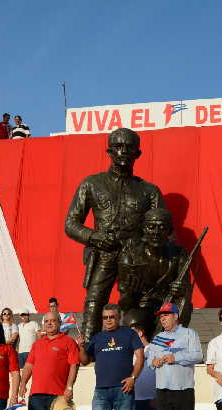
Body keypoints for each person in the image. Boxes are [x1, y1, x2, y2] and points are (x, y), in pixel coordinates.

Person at [65, 127, 165, 340]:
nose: (123, 152)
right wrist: (95, 237)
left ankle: (139, 347)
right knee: (94, 299)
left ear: (138, 153)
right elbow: (71, 224)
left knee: (136, 303)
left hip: (137, 255)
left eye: (129, 148)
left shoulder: (150, 191)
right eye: (118, 147)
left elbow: (164, 231)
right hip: (104, 252)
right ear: (109, 151)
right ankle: (90, 347)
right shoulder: (91, 184)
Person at [76, 304, 143, 410]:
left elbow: (140, 357)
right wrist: (81, 347)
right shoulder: (97, 338)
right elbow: (84, 360)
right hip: (101, 392)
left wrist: (133, 378)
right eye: (105, 317)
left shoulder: (129, 334)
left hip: (124, 390)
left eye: (111, 317)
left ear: (119, 317)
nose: (108, 320)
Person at [117, 207, 190, 336]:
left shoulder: (179, 254)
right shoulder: (130, 257)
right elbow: (124, 304)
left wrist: (180, 288)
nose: (156, 232)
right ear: (144, 229)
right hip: (141, 306)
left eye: (162, 227)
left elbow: (186, 290)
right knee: (133, 320)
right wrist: (130, 292)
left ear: (170, 231)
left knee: (183, 308)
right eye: (151, 227)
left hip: (168, 304)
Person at [18, 311, 79, 410]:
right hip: (36, 396)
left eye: (53, 321)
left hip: (58, 396)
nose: (49, 324)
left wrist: (69, 388)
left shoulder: (68, 342)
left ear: (60, 323)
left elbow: (73, 366)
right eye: (46, 321)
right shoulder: (37, 344)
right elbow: (28, 366)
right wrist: (22, 384)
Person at [145, 303, 202, 410]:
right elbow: (150, 360)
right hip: (163, 390)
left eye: (166, 315)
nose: (162, 319)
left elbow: (198, 355)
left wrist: (175, 357)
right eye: (161, 316)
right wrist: (154, 361)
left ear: (176, 316)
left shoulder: (190, 333)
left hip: (184, 390)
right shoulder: (158, 337)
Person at [129, 323, 160, 410]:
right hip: (135, 401)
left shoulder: (155, 349)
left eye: (132, 333)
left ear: (140, 333)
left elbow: (163, 374)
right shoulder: (129, 353)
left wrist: (158, 396)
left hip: (154, 401)